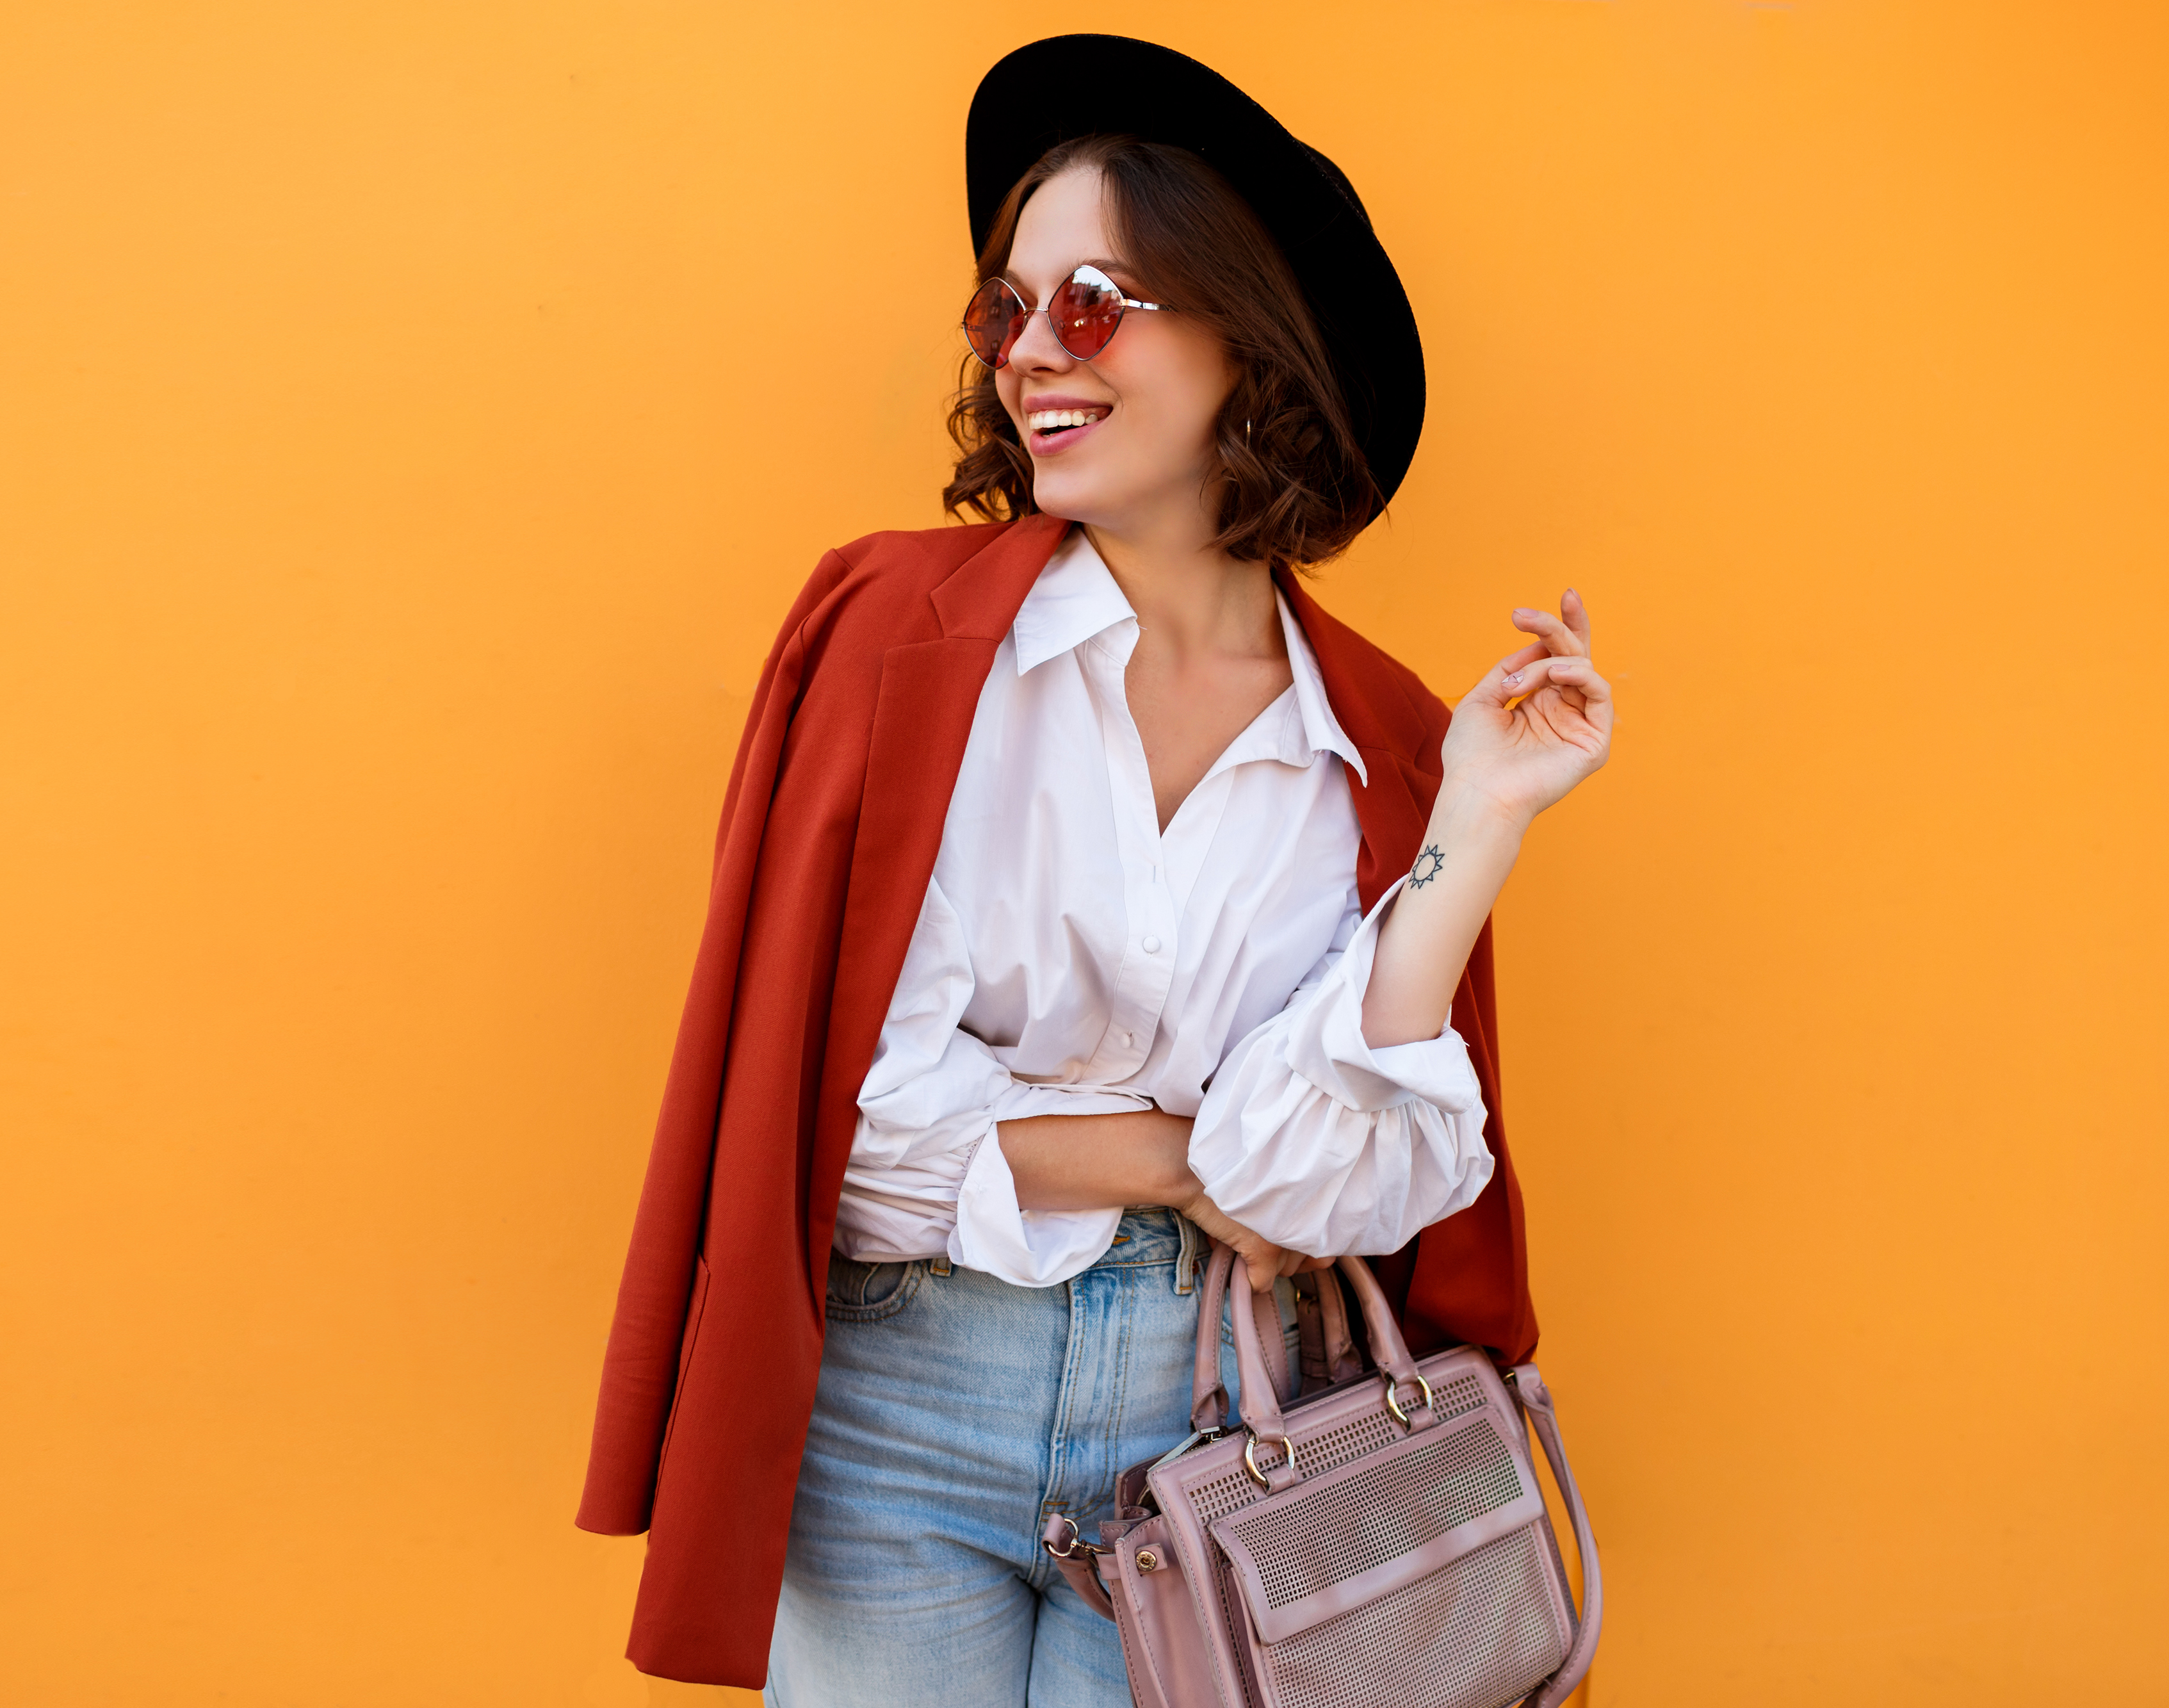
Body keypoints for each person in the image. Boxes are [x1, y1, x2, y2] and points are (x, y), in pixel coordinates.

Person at [575, 36, 1614, 1705]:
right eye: (1006, 309)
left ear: (1242, 338)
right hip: (901, 1403)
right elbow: (853, 1131)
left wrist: (1477, 819)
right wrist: (1197, 1161)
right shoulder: (893, 641)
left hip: (1228, 1419)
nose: (1029, 355)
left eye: (1094, 303)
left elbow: (1342, 1186)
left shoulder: (1392, 743)